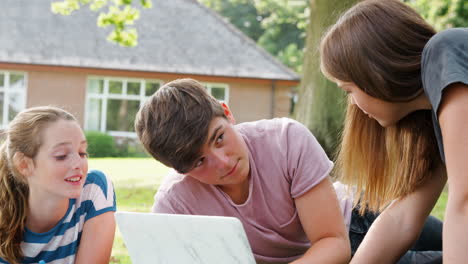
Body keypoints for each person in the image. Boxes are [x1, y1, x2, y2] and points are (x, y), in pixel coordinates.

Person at [135, 78, 442, 263]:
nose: (223, 163)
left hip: (358, 220)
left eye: (219, 138)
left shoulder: (284, 139)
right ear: (178, 170)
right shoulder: (174, 205)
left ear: (227, 113)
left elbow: (334, 245)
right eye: (199, 162)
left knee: (455, 243)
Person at [319, 0, 468, 263]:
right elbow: (402, 220)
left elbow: (465, 201)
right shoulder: (432, 120)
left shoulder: (446, 50)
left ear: (374, 72)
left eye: (348, 90)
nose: (353, 104)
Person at [0, 106, 116, 264]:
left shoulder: (94, 190)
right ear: (24, 164)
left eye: (82, 152)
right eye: (61, 156)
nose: (78, 164)